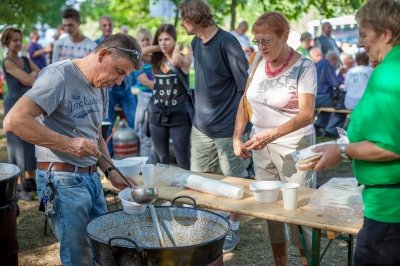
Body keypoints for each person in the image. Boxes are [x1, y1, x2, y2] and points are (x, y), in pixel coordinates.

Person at [3, 33, 142, 265]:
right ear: (103, 54)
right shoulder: (58, 76)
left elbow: (94, 134)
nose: (119, 82)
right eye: (119, 71)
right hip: (61, 181)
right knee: (79, 257)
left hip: (91, 179)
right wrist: (68, 144)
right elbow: (14, 121)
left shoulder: (102, 85)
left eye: (124, 76)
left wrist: (111, 170)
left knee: (104, 250)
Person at [313, 1, 400, 265]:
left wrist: (340, 151)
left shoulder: (388, 73)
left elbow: (389, 147)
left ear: (385, 34)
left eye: (364, 34)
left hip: (389, 210)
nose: (360, 43)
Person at [233, 12, 317, 266]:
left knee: (297, 212)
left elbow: (306, 115)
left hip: (294, 147)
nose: (261, 46)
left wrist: (271, 134)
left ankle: (306, 262)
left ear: (285, 36)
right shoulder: (257, 59)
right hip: (260, 145)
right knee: (270, 210)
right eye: (257, 41)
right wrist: (237, 136)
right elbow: (245, 99)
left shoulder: (305, 67)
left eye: (266, 40)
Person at [179, 0, 249, 253]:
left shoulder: (228, 43)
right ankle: (208, 228)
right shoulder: (195, 43)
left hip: (228, 128)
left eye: (183, 18)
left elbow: (245, 87)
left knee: (234, 184)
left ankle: (233, 230)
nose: (181, 23)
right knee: (200, 182)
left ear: (194, 18)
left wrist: (239, 132)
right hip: (201, 128)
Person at [141, 24, 192, 169]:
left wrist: (176, 47)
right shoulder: (156, 60)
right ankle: (164, 190)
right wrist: (159, 47)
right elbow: (139, 53)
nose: (163, 43)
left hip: (179, 115)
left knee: (182, 157)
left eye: (167, 39)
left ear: (174, 40)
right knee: (161, 158)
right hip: (157, 113)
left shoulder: (184, 57)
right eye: (160, 39)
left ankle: (185, 189)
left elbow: (176, 61)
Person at [1, 27, 40, 201]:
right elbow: (27, 79)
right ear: (6, 42)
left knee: (31, 142)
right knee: (17, 148)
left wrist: (32, 74)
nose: (18, 43)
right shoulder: (7, 61)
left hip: (27, 106)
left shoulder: (25, 59)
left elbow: (40, 74)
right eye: (14, 40)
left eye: (19, 39)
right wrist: (31, 74)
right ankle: (18, 187)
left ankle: (31, 180)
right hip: (13, 107)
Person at [132, 28, 155, 159]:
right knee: (145, 136)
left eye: (148, 39)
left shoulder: (156, 59)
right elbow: (145, 81)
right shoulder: (137, 60)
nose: (146, 42)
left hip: (158, 99)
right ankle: (145, 166)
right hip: (145, 99)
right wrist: (163, 87)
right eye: (143, 40)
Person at [314, 51, 346, 137]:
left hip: (312, 97)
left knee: (332, 100)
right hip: (320, 97)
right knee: (342, 102)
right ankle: (331, 130)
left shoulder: (317, 64)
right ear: (334, 60)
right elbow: (335, 83)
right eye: (337, 62)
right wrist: (343, 81)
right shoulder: (327, 65)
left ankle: (318, 125)